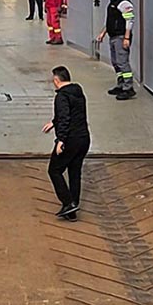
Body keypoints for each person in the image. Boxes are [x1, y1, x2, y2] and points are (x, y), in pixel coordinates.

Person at [41, 67, 89, 220]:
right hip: (83, 138)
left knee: (54, 170)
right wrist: (53, 122)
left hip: (70, 140)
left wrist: (60, 140)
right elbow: (73, 113)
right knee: (75, 172)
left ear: (56, 80)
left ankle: (68, 203)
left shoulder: (61, 96)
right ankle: (72, 210)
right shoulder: (78, 92)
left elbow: (64, 118)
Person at [96, 0, 136, 99]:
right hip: (113, 36)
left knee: (123, 63)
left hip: (121, 37)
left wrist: (126, 38)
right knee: (116, 62)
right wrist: (103, 33)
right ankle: (121, 85)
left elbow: (130, 21)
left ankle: (128, 88)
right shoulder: (113, 2)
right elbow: (110, 21)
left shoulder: (124, 3)